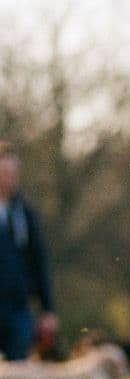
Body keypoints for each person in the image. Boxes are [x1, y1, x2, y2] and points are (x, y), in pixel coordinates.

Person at [0, 143, 57, 361]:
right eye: (2, 173)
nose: (6, 179)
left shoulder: (25, 213)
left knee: (21, 371)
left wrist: (47, 309)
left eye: (11, 173)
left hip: (18, 310)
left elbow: (38, 263)